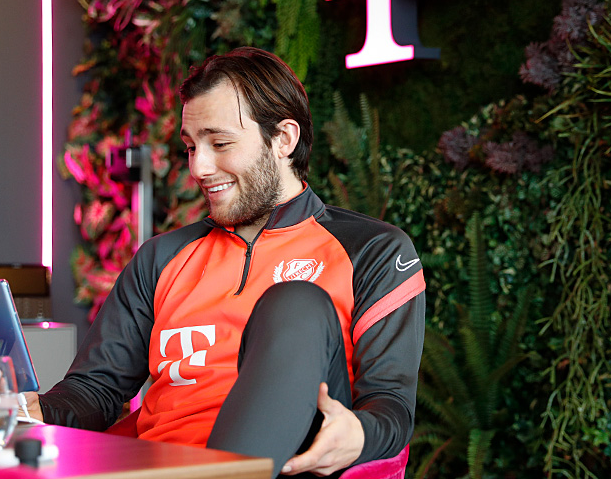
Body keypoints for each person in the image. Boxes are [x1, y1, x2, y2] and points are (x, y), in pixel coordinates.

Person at [23, 47, 425, 477]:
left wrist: (358, 433)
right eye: (190, 147)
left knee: (296, 304)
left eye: (220, 143)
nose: (199, 167)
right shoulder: (161, 258)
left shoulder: (373, 250)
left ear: (284, 140)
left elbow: (390, 406)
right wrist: (29, 409)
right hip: (160, 469)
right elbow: (93, 390)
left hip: (287, 467)